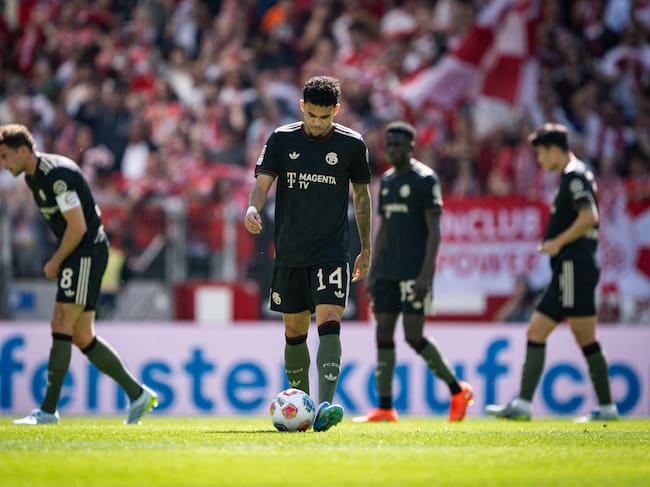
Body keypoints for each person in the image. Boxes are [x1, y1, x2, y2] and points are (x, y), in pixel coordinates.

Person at [0, 124, 157, 425]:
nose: (4, 165)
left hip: (83, 251)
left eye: (6, 157)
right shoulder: (34, 178)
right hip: (80, 252)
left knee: (61, 323)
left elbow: (77, 227)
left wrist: (56, 261)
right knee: (82, 335)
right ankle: (137, 394)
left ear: (23, 150)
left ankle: (47, 411)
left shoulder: (55, 175)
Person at [244, 76, 372, 431]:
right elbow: (262, 183)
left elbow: (361, 197)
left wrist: (366, 247)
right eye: (312, 115)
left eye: (324, 117)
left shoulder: (352, 145)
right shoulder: (281, 139)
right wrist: (253, 209)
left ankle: (326, 404)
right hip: (289, 250)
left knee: (330, 317)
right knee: (295, 328)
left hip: (332, 250)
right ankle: (305, 409)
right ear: (302, 107)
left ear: (336, 111)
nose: (317, 123)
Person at [486, 123, 619, 422]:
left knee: (585, 336)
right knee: (536, 331)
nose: (540, 161)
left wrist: (557, 242)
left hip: (574, 267)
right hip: (567, 270)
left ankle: (608, 408)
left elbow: (589, 217)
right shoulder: (574, 174)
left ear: (554, 150)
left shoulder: (574, 176)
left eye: (541, 154)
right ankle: (522, 404)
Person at [352, 121, 474, 424]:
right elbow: (382, 232)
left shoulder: (425, 180)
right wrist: (373, 272)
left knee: (413, 335)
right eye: (388, 145)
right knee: (382, 332)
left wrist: (425, 276)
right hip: (388, 272)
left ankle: (458, 390)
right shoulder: (388, 181)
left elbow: (435, 231)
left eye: (397, 145)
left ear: (411, 148)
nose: (391, 150)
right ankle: (385, 408)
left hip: (413, 272)